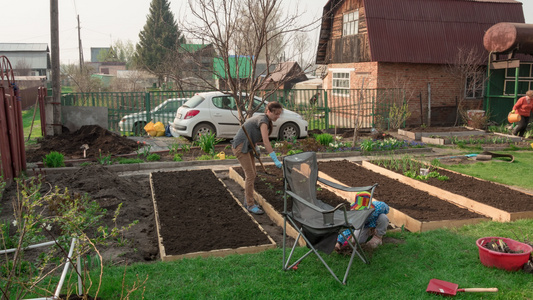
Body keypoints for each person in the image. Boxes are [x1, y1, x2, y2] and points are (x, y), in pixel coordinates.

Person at [231, 101, 283, 215]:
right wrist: (274, 159)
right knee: (250, 175)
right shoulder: (263, 120)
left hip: (248, 146)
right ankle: (250, 205)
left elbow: (251, 133)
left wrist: (256, 148)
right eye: (276, 113)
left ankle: (247, 201)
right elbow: (266, 141)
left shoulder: (266, 120)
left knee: (253, 174)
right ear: (268, 111)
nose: (278, 116)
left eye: (279, 114)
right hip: (241, 147)